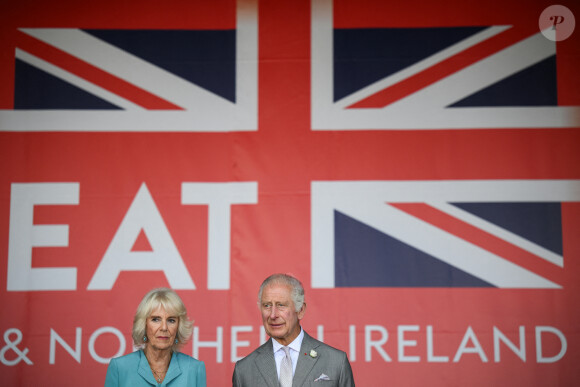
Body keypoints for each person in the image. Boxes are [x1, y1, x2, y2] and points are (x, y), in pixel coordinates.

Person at [232, 273, 355, 386]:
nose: (273, 315)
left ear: (300, 310)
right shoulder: (244, 370)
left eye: (281, 305)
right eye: (267, 305)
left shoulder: (336, 362)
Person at [105, 288, 206, 386]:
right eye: (156, 319)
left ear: (178, 327)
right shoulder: (120, 368)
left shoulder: (194, 369)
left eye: (171, 320)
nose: (164, 327)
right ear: (144, 324)